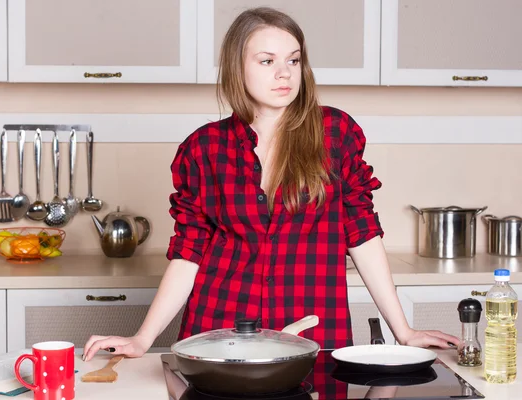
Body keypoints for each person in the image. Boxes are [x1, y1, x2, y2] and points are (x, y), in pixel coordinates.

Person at [83, 6, 459, 361]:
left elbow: (361, 234)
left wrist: (403, 330)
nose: (285, 74)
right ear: (237, 68)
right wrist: (142, 338)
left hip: (312, 329)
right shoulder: (204, 148)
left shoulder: (335, 133)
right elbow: (190, 253)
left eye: (293, 60)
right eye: (267, 61)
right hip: (220, 329)